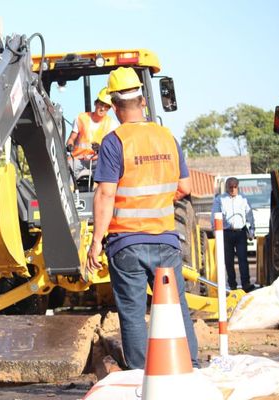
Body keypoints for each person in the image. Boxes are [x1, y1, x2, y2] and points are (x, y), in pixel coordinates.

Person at [86, 67, 199, 370]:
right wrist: (157, 200)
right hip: (165, 240)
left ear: (114, 105)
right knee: (175, 308)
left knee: (134, 313)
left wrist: (96, 243)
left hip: (127, 244)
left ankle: (140, 377)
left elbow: (106, 195)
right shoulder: (167, 137)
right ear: (143, 101)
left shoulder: (114, 141)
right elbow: (185, 187)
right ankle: (190, 367)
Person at [211, 177, 255, 292]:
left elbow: (249, 215)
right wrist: (215, 231)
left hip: (240, 233)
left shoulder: (243, 199)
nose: (233, 189)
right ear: (226, 187)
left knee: (243, 259)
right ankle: (233, 285)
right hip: (226, 233)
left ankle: (246, 284)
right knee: (229, 261)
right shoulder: (220, 199)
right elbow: (214, 215)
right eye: (230, 187)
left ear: (238, 187)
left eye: (235, 187)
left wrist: (251, 230)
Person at [66, 88, 120, 180]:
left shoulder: (112, 124)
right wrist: (69, 145)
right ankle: (68, 192)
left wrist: (101, 149)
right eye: (101, 104)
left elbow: (114, 147)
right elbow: (71, 139)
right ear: (95, 103)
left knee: (108, 169)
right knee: (66, 170)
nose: (103, 108)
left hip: (98, 160)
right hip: (78, 159)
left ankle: (101, 192)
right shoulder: (81, 118)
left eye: (107, 106)